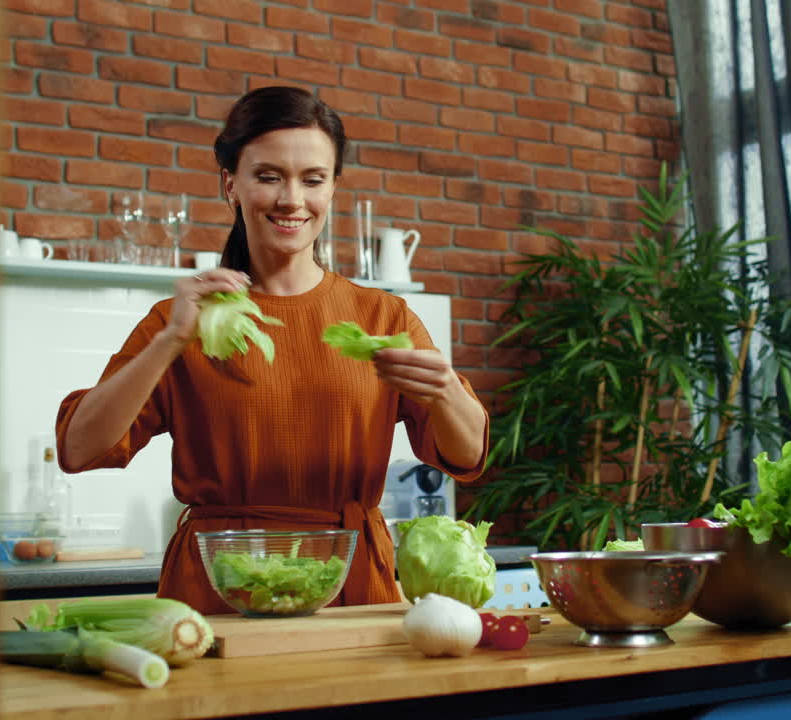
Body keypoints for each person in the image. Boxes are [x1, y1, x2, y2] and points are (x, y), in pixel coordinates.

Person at [54, 86, 490, 615]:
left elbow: (467, 457)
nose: (292, 199)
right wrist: (170, 342)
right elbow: (80, 450)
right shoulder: (182, 321)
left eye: (313, 179)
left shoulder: (383, 317)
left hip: (348, 583)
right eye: (268, 176)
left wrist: (445, 392)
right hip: (219, 584)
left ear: (331, 189)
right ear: (230, 184)